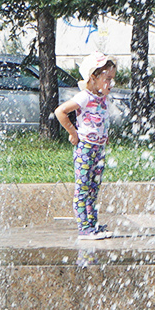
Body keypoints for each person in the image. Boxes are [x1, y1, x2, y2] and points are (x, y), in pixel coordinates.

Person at [55, 52, 116, 241]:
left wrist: (104, 136)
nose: (111, 84)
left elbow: (99, 120)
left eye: (113, 79)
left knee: (93, 188)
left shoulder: (101, 98)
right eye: (108, 79)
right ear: (93, 78)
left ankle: (92, 223)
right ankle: (84, 228)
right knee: (83, 188)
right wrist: (73, 133)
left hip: (98, 149)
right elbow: (61, 112)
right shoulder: (84, 97)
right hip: (85, 149)